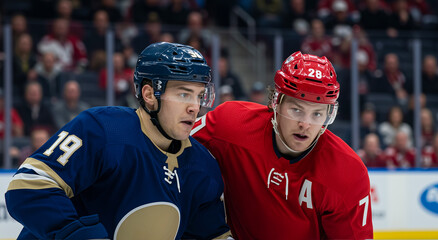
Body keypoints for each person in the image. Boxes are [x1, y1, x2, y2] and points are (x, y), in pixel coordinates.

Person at [5, 42, 230, 240]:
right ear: (150, 95)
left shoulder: (203, 167)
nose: (195, 107)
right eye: (184, 94)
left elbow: (209, 234)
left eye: (199, 96)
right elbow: (28, 187)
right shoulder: (101, 129)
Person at [191, 51, 373, 239]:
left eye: (317, 114)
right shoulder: (230, 124)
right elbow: (169, 146)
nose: (305, 124)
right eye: (296, 110)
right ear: (275, 102)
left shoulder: (348, 172)